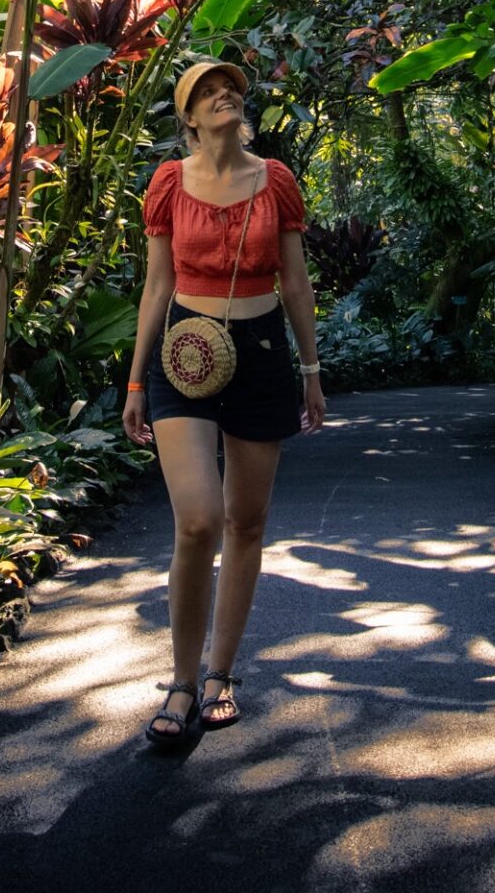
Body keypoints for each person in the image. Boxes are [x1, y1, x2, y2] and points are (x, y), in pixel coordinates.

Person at [123, 59, 326, 744]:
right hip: (183, 355)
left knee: (245, 522)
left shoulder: (276, 182)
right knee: (199, 520)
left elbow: (296, 284)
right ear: (187, 117)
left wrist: (312, 370)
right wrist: (132, 383)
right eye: (208, 93)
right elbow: (155, 287)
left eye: (230, 90)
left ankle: (219, 674)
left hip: (263, 352)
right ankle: (180, 681)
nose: (223, 97)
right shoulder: (168, 185)